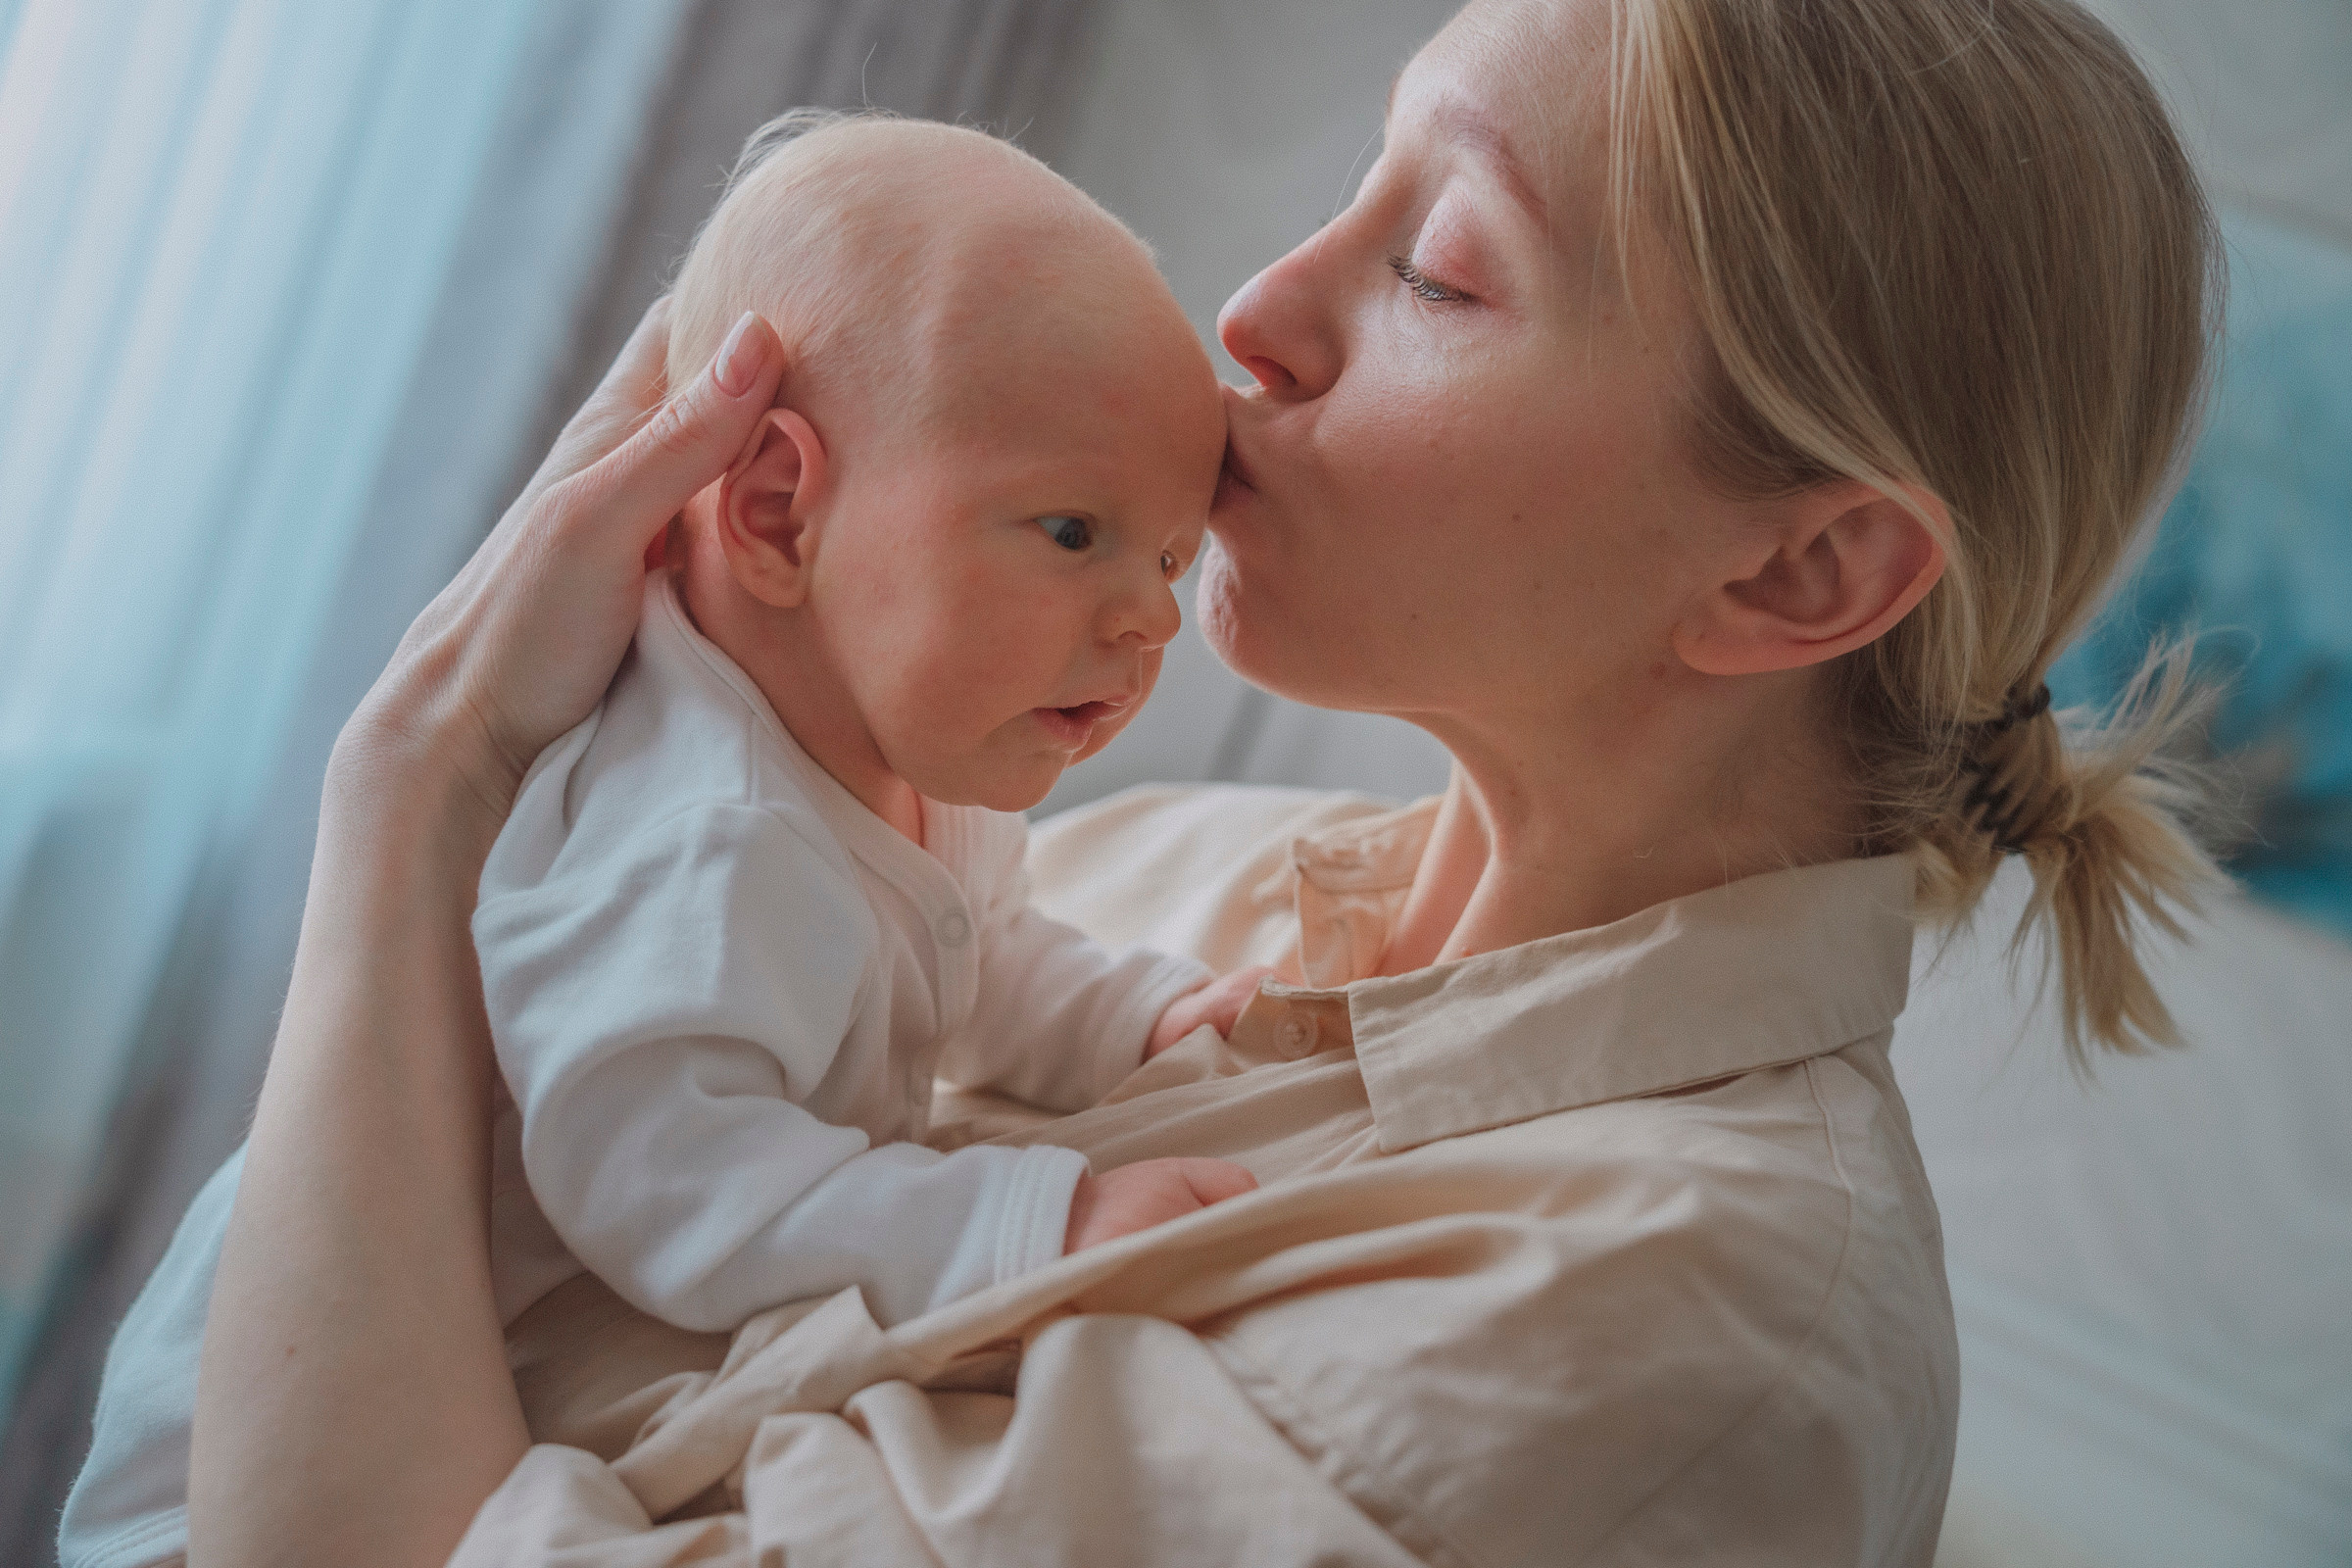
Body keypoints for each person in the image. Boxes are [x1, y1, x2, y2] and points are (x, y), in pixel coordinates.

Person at [112, 0, 2230, 1561]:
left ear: (1798, 566)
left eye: (1443, 266)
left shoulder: (1657, 1331)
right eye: (1357, 186)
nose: (1258, 313)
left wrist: (413, 796)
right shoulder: (1190, 876)